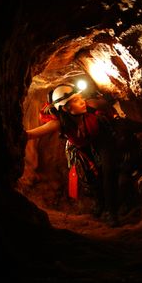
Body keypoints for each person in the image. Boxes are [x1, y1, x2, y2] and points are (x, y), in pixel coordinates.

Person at [26, 83, 121, 226]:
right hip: (83, 147)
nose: (82, 101)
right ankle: (100, 204)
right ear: (65, 108)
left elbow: (109, 102)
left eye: (80, 97)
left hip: (103, 141)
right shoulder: (61, 123)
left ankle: (111, 211)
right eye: (76, 100)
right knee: (90, 176)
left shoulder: (92, 107)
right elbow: (33, 133)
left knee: (108, 171)